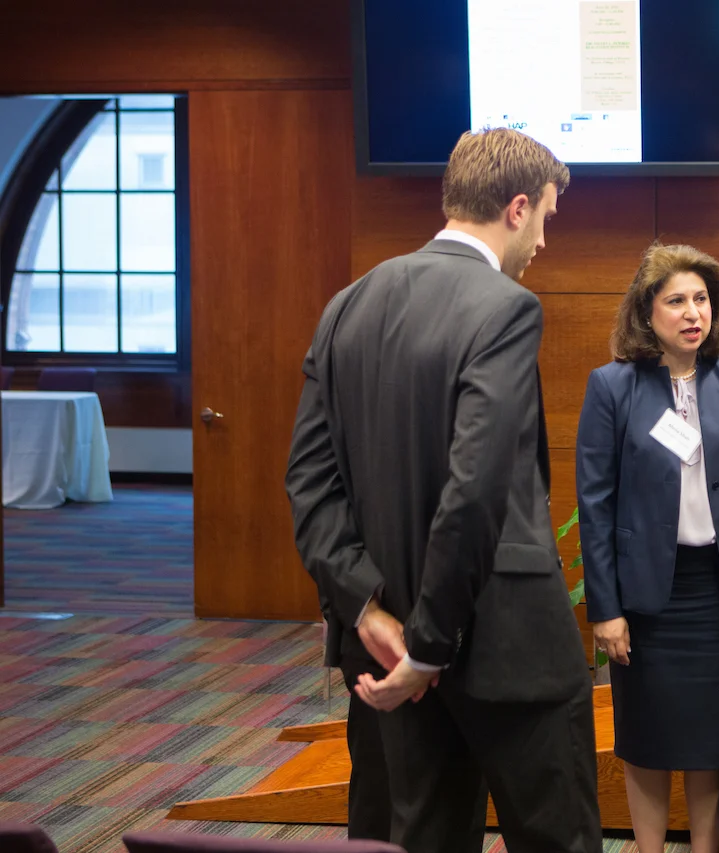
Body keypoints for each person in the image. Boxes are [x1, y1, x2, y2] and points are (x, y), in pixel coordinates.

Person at [284, 127, 602, 853]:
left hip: (380, 649)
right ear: (517, 208)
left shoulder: (346, 306)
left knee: (410, 839)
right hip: (504, 643)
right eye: (546, 217)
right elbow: (476, 484)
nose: (543, 242)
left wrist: (366, 607)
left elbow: (308, 478)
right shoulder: (505, 306)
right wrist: (428, 645)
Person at [576, 243, 719, 853]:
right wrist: (606, 609)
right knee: (647, 742)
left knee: (712, 743)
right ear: (647, 312)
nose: (694, 313)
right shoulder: (612, 386)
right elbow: (596, 505)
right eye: (677, 301)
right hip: (647, 600)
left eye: (702, 299)